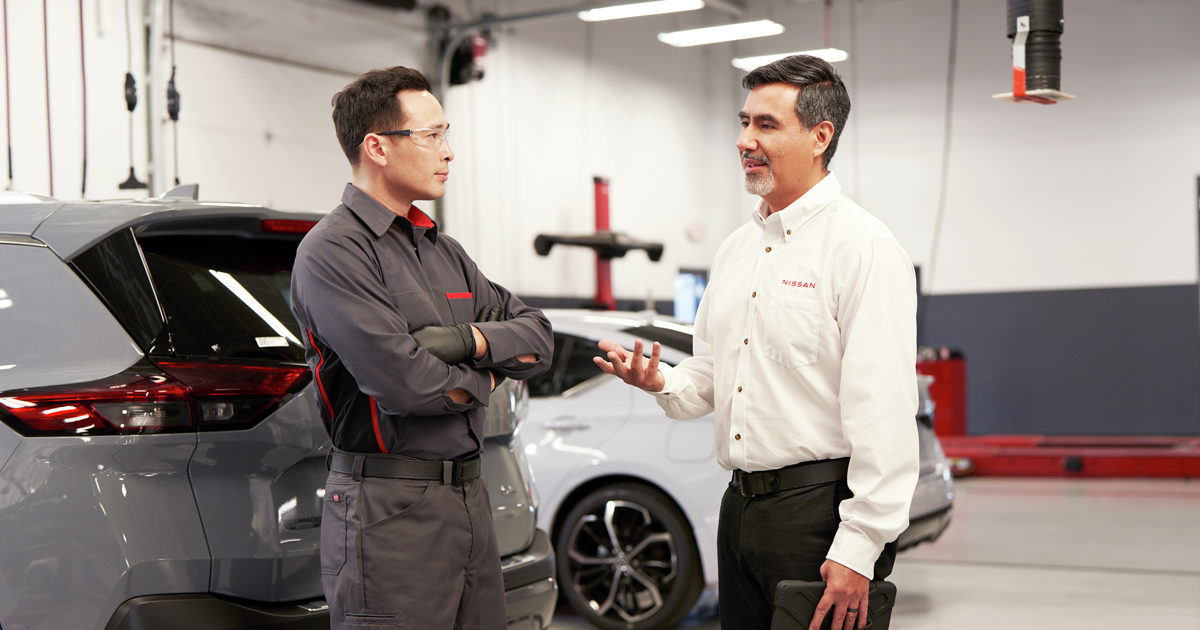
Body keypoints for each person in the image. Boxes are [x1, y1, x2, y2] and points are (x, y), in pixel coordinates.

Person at [594, 55, 919, 630]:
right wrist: (662, 380)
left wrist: (860, 546)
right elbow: (713, 373)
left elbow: (884, 413)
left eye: (766, 125)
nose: (745, 140)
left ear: (820, 137)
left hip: (820, 517)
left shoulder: (863, 249)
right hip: (739, 510)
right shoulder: (735, 250)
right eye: (744, 122)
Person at [290, 66, 553, 630]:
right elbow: (407, 385)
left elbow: (538, 336)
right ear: (377, 147)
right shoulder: (334, 252)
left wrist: (466, 340)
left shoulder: (445, 251)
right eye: (431, 135)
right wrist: (490, 375)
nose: (448, 151)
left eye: (446, 134)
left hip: (469, 500)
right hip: (389, 510)